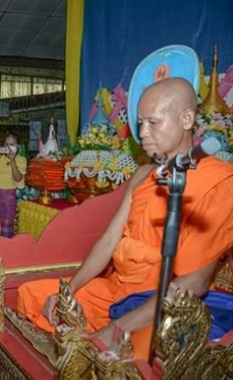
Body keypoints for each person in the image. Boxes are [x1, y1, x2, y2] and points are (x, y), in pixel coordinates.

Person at [17, 77, 233, 360]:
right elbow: (108, 242)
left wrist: (116, 328)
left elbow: (196, 283)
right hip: (118, 289)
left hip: (165, 301)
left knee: (143, 346)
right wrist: (68, 291)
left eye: (153, 123)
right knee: (32, 295)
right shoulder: (142, 176)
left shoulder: (217, 181)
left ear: (186, 119)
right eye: (139, 123)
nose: (143, 133)